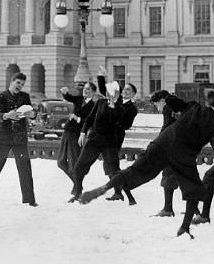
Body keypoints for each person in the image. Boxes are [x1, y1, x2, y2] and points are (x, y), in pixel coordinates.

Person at [79, 89, 214, 239]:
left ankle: (104, 188)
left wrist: (169, 97)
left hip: (163, 143)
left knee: (134, 170)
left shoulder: (193, 106)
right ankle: (184, 227)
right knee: (194, 189)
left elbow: (171, 101)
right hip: (183, 156)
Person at [71, 75, 136, 204]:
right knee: (79, 167)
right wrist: (83, 132)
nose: (109, 94)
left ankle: (128, 196)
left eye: (113, 93)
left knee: (113, 170)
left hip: (109, 142)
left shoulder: (121, 108)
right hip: (94, 139)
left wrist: (113, 108)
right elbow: (89, 118)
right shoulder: (100, 102)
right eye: (108, 92)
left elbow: (118, 121)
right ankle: (77, 192)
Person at [0, 72, 37, 206]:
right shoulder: (1, 96)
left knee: (25, 169)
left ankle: (30, 200)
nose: (20, 86)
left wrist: (32, 114)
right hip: (3, 137)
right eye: (18, 83)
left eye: (22, 84)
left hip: (20, 138)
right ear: (11, 82)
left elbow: (33, 112)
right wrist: (7, 115)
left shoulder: (25, 97)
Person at [57, 80, 98, 196]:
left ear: (93, 92)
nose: (85, 90)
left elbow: (90, 121)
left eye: (88, 89)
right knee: (60, 162)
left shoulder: (93, 106)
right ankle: (77, 184)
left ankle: (77, 188)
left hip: (77, 134)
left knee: (74, 162)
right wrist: (64, 93)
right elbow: (69, 97)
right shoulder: (80, 99)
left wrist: (77, 118)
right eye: (84, 88)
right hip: (67, 131)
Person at [149, 89, 180, 217]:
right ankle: (197, 210)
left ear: (162, 100)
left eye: (156, 104)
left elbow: (167, 127)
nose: (157, 108)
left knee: (168, 174)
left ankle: (167, 209)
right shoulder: (176, 106)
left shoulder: (167, 108)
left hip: (172, 147)